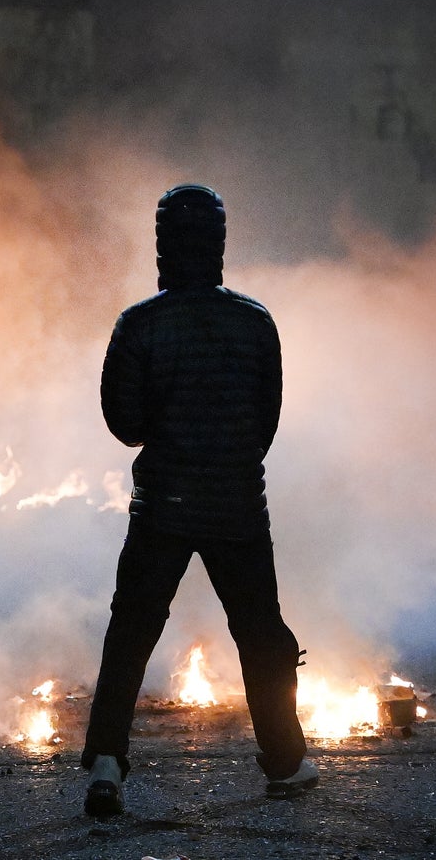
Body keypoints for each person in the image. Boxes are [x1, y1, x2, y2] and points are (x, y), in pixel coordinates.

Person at [81, 183, 318, 817]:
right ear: (218, 244)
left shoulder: (139, 325)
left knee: (130, 634)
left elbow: (124, 423)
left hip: (162, 504)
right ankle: (285, 760)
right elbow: (264, 424)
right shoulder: (255, 322)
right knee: (261, 635)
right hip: (238, 504)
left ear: (162, 246)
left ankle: (106, 762)